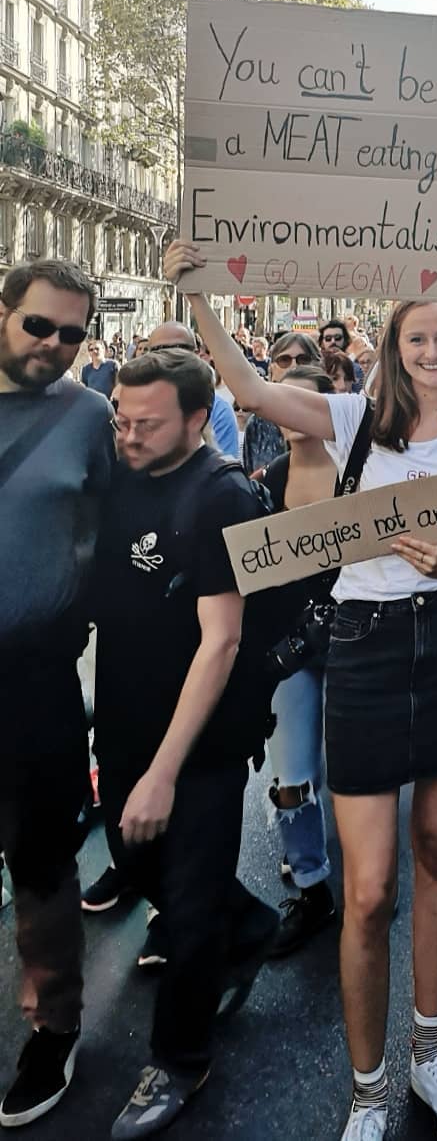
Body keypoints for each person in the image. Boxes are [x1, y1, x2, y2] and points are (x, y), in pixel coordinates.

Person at [163, 238, 437, 1141]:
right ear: (395, 345)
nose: (435, 350)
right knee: (367, 890)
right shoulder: (349, 414)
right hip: (363, 655)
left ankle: (430, 1054)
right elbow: (249, 392)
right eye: (419, 338)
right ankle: (368, 1086)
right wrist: (202, 292)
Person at [92, 348, 281, 1137]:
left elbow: (222, 641)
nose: (129, 435)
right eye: (120, 420)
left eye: (147, 424)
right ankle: (249, 926)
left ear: (198, 421)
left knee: (189, 891)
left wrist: (165, 771)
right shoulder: (122, 471)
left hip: (200, 736)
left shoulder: (221, 498)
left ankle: (180, 1058)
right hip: (125, 718)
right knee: (135, 859)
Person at [0, 260, 114, 1129]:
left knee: (41, 859)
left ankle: (55, 1024)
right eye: (40, 326)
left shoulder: (90, 417)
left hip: (35, 672)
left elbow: (107, 535)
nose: (56, 347)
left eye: (72, 334)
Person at [258, 365, 343, 957]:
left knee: (365, 779)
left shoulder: (361, 474)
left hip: (360, 645)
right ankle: (312, 887)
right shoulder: (268, 480)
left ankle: (370, 878)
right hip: (292, 650)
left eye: (302, 401)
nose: (290, 413)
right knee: (292, 781)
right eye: (280, 400)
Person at [144, 323, 239, 458]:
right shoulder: (134, 404)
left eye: (179, 349)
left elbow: (224, 468)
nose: (170, 357)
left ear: (195, 354)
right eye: (159, 350)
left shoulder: (218, 409)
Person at [242, 333, 322, 476]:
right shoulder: (257, 424)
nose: (294, 366)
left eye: (303, 359)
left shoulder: (330, 416)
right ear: (271, 369)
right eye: (284, 360)